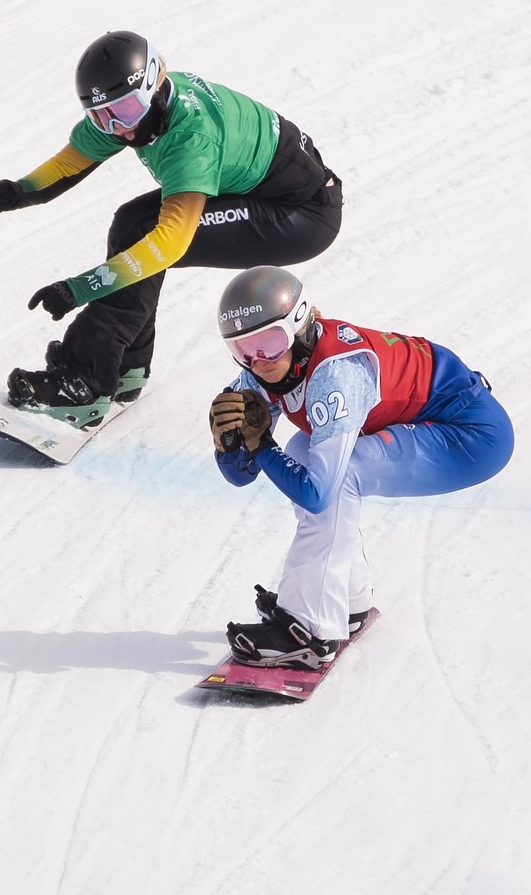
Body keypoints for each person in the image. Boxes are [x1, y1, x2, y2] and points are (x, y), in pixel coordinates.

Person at [0, 32, 342, 424]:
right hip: (279, 187)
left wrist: (78, 288)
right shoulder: (141, 108)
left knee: (145, 237)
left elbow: (169, 243)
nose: (118, 126)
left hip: (300, 216)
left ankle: (84, 381)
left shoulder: (190, 139)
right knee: (132, 222)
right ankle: (123, 363)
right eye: (101, 115)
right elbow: (73, 159)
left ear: (154, 85)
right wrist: (23, 190)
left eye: (125, 108)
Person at [208, 265, 514, 670]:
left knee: (338, 476)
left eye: (268, 342)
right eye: (242, 349)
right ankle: (345, 602)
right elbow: (239, 478)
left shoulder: (336, 375)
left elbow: (315, 495)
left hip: (470, 435)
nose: (258, 361)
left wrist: (260, 444)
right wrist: (228, 446)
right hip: (435, 416)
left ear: (298, 323)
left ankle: (311, 629)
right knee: (303, 452)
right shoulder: (264, 369)